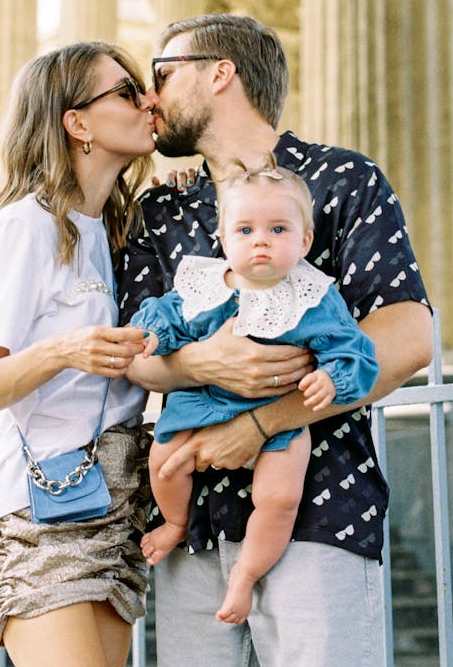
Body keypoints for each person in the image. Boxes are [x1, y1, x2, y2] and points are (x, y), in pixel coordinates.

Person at [118, 14, 433, 667]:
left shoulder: (344, 180)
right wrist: (203, 361)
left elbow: (406, 335)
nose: (150, 97)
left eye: (161, 72)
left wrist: (263, 418)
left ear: (218, 72)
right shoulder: (163, 211)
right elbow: (136, 357)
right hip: (189, 526)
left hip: (319, 509)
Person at [0, 43, 157, 667]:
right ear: (77, 122)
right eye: (127, 90)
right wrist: (65, 349)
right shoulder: (27, 225)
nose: (147, 101)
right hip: (36, 520)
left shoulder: (121, 233)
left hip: (114, 511)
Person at [129, 158, 379, 625]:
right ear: (223, 239)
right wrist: (154, 336)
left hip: (277, 414)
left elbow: (354, 351)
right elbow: (167, 318)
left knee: (280, 497)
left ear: (304, 241)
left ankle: (245, 576)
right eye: (244, 230)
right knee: (163, 463)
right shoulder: (205, 286)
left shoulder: (313, 298)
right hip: (204, 405)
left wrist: (332, 378)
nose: (260, 239)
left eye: (278, 229)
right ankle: (176, 522)